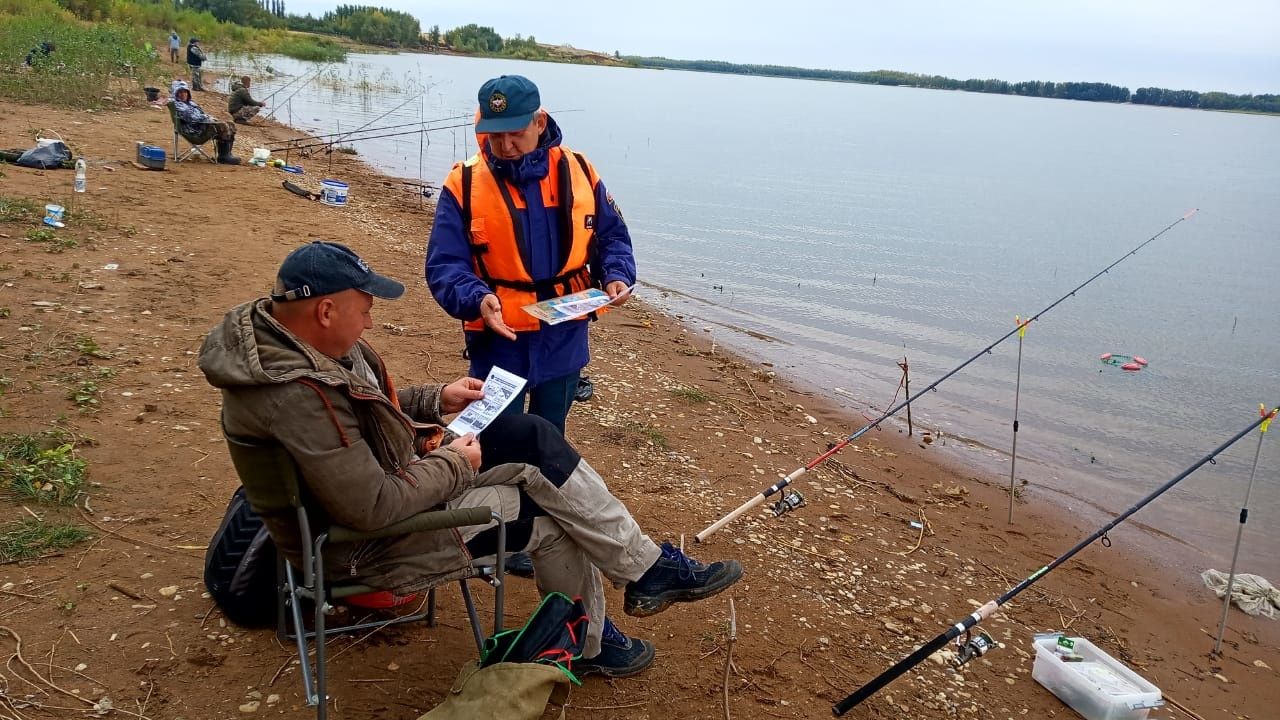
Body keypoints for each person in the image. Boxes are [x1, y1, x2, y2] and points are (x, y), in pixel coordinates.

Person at [198, 241, 743, 677]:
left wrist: (436, 399)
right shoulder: (293, 394)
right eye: (364, 311)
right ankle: (601, 628)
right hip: (363, 544)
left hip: (386, 487)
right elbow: (371, 506)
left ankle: (640, 576)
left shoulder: (300, 350)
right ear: (324, 309)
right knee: (545, 513)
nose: (369, 323)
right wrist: (457, 463)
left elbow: (363, 413)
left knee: (526, 435)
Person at [425, 75, 635, 436]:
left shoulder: (580, 170)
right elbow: (445, 264)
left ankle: (539, 492)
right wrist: (478, 299)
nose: (505, 146)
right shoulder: (464, 182)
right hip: (498, 337)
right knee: (494, 437)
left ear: (539, 123)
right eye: (495, 135)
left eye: (515, 133)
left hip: (564, 336)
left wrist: (617, 275)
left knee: (549, 434)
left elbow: (613, 235)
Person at [170, 80, 240, 164]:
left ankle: (226, 154)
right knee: (222, 126)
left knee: (230, 124)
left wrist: (210, 118)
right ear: (175, 93)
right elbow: (192, 118)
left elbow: (201, 114)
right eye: (180, 92)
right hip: (194, 132)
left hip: (199, 127)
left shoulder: (190, 103)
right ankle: (224, 157)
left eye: (185, 92)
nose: (183, 94)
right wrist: (209, 119)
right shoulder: (179, 105)